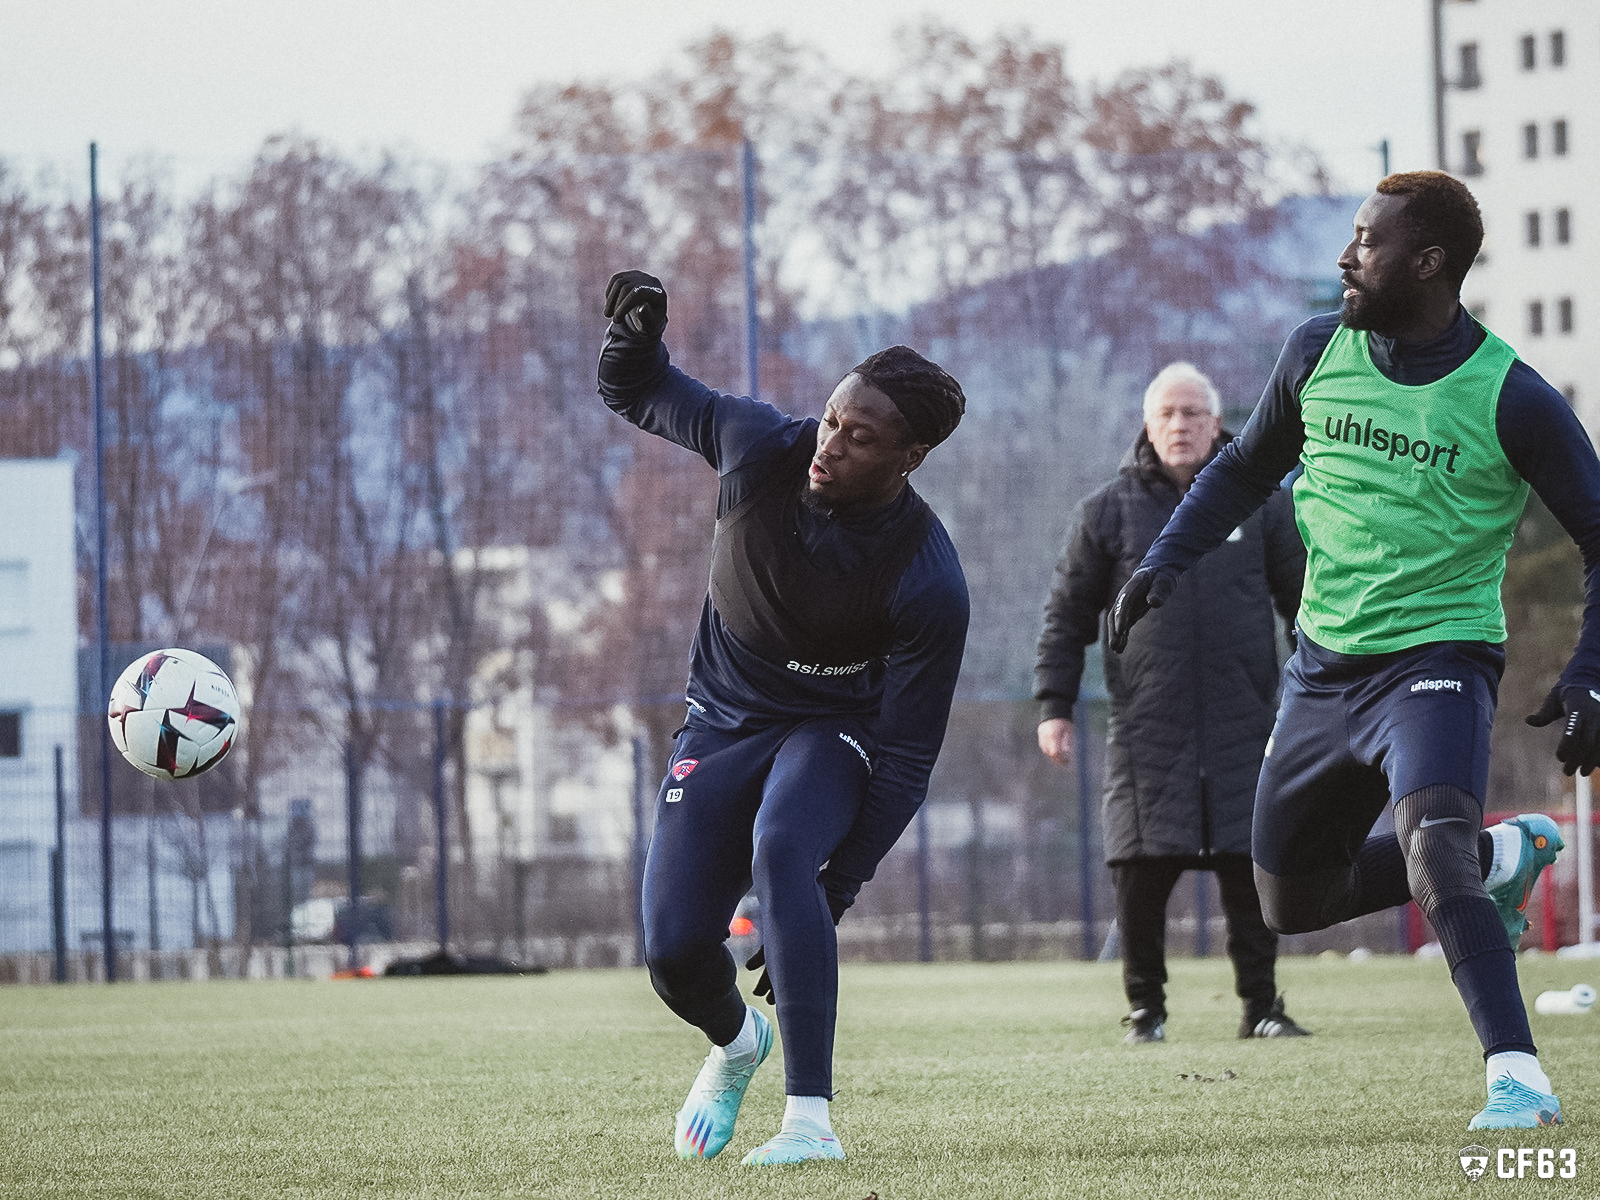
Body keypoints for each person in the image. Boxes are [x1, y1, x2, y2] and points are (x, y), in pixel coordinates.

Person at [1109, 171, 1594, 1130]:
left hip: (1437, 660)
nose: (1345, 256)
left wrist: (1589, 672)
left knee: (1432, 841)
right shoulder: (1315, 350)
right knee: (1290, 898)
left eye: (1366, 241)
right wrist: (1163, 561)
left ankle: (1517, 1078)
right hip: (1323, 669)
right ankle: (1505, 856)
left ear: (1429, 264)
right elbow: (1246, 467)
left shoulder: (1511, 396)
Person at [597, 270, 969, 1165]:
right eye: (834, 417)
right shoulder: (758, 443)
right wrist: (633, 337)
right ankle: (737, 1047)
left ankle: (810, 1123)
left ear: (908, 456)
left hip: (831, 731)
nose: (830, 443)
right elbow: (635, 390)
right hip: (722, 723)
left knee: (782, 849)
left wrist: (834, 890)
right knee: (676, 953)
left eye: (860, 436)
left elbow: (910, 760)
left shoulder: (928, 578)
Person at [1035, 362, 1309, 1045]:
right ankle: (1146, 1012)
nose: (1180, 425)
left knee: (1253, 871)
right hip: (1145, 731)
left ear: (1216, 424)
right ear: (1148, 425)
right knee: (1138, 871)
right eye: (1167, 414)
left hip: (1248, 723)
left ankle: (1263, 1007)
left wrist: (1323, 695)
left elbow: (1305, 605)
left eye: (1193, 413)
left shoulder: (1264, 503)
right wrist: (1053, 707)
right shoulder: (1105, 513)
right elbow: (1067, 618)